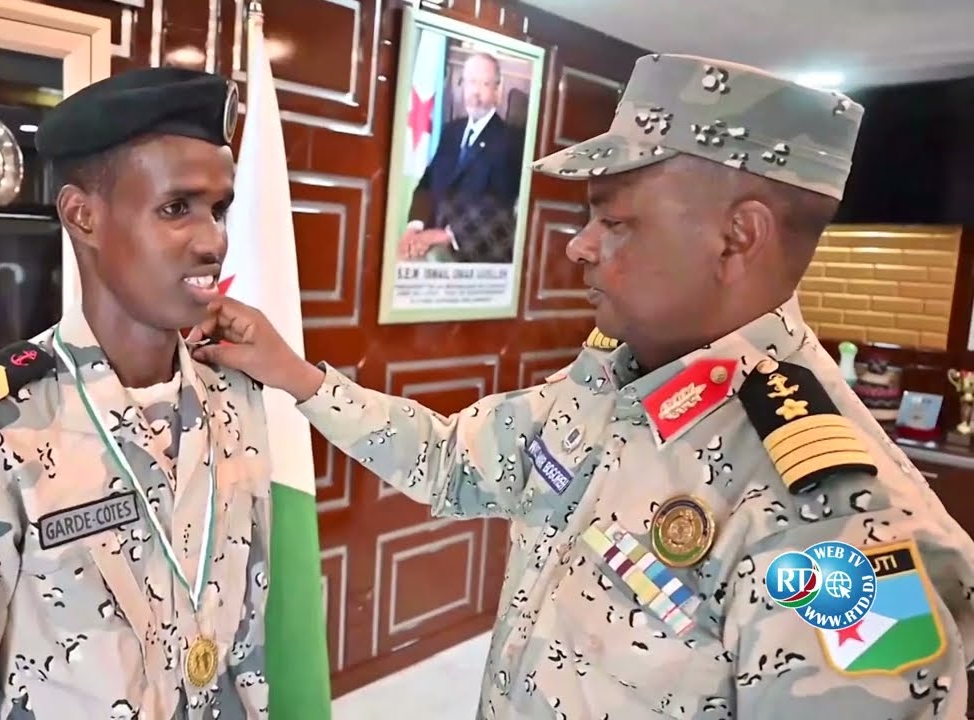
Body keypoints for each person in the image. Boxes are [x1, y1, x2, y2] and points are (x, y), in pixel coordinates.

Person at [189, 54, 974, 718]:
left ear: (738, 237)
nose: (578, 246)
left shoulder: (840, 523)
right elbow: (453, 460)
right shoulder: (610, 383)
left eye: (617, 220)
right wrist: (293, 374)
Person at [0, 67, 276, 720]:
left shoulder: (234, 394)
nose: (213, 241)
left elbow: (244, 635)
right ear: (83, 216)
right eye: (176, 208)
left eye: (219, 209)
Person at [400, 52, 524, 264]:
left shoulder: (510, 141)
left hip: (473, 253)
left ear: (497, 91)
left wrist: (449, 234)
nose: (476, 92)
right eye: (471, 82)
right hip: (428, 244)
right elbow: (427, 183)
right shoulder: (451, 131)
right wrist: (414, 227)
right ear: (462, 86)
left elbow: (501, 206)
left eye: (485, 84)